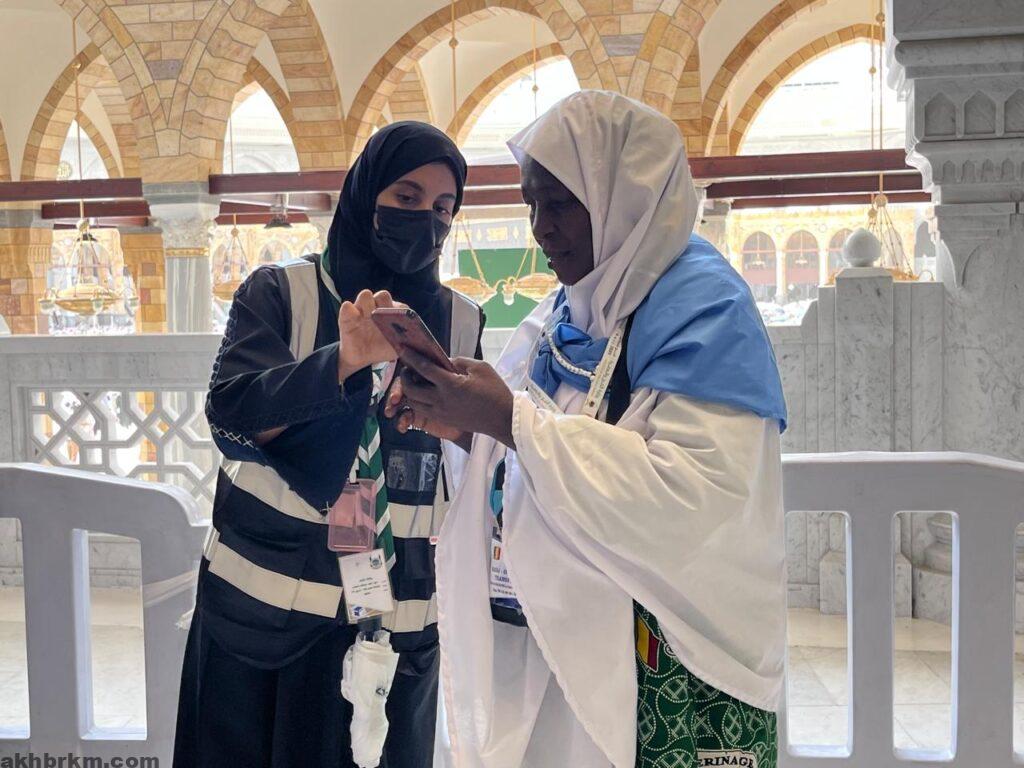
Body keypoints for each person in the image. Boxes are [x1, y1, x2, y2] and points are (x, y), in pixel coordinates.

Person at [388, 92, 788, 768]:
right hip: (563, 640)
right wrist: (466, 430)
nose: (541, 229)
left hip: (670, 653)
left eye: (559, 204)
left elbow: (694, 497)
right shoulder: (566, 308)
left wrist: (504, 419)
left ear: (622, 195)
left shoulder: (704, 308)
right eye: (530, 204)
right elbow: (529, 438)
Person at [173, 122, 484, 768]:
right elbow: (231, 416)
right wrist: (341, 363)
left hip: (396, 620)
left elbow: (472, 454)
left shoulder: (459, 320)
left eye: (443, 208)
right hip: (266, 617)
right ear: (366, 195)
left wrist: (461, 424)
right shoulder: (280, 293)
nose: (426, 221)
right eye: (406, 198)